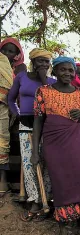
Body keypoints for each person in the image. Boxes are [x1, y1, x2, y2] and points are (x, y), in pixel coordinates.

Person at [31, 56, 80, 235]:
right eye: (63, 70)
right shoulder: (43, 91)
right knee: (60, 185)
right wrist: (35, 151)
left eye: (71, 70)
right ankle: (63, 231)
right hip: (53, 144)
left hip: (76, 143)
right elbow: (38, 121)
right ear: (54, 71)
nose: (67, 73)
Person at [7, 48, 55, 220]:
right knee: (29, 163)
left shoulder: (51, 81)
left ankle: (46, 198)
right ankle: (34, 199)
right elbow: (11, 98)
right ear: (33, 62)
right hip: (26, 123)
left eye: (46, 62)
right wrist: (16, 113)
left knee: (45, 162)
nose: (43, 64)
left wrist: (44, 80)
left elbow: (51, 101)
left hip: (46, 125)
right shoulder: (22, 77)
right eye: (40, 61)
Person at [0, 48, 14, 197]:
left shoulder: (3, 61)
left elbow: (8, 86)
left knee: (2, 140)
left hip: (2, 106)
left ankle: (2, 180)